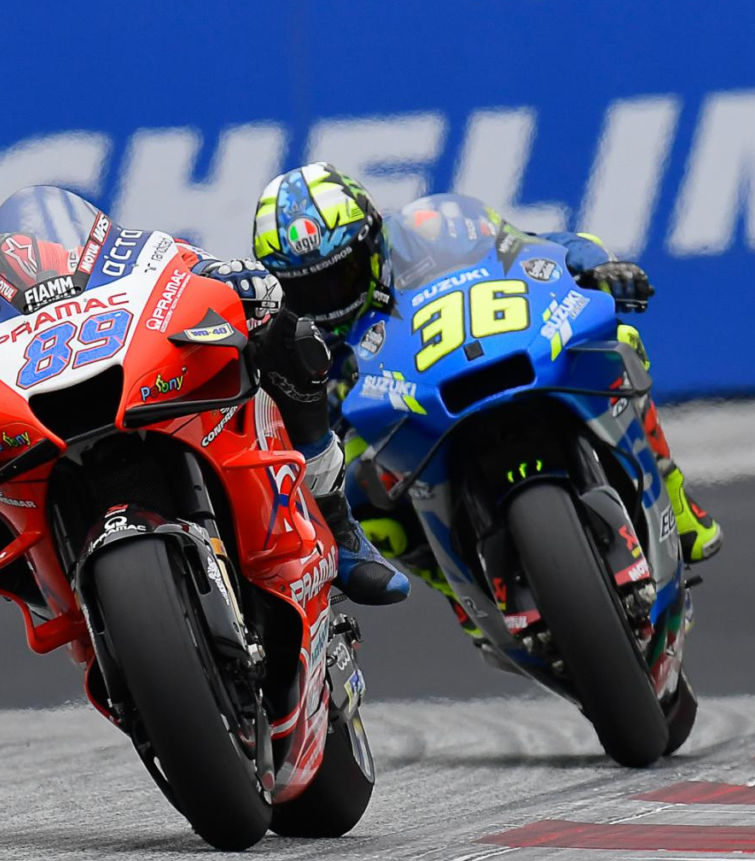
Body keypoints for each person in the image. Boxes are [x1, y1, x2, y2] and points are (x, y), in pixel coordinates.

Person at [0, 197, 409, 605]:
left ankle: (333, 518)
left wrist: (214, 273)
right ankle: (105, 633)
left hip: (43, 403)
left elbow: (123, 257)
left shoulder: (0, 259)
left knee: (286, 338)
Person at [250, 163, 723, 608]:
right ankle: (466, 601)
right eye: (309, 290)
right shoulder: (292, 337)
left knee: (620, 344)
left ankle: (673, 498)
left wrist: (597, 268)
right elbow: (291, 430)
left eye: (343, 273)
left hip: (487, 356)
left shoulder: (427, 235)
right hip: (399, 422)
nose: (331, 297)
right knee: (364, 500)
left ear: (372, 239)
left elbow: (537, 247)